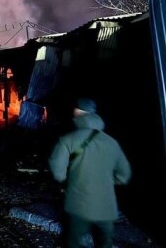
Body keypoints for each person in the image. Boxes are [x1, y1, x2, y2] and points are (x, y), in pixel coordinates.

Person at [48, 98, 132, 248]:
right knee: (104, 244)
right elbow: (124, 175)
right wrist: (108, 181)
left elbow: (58, 173)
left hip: (78, 205)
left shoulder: (67, 140)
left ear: (79, 113)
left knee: (73, 243)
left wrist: (68, 180)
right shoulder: (112, 143)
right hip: (106, 208)